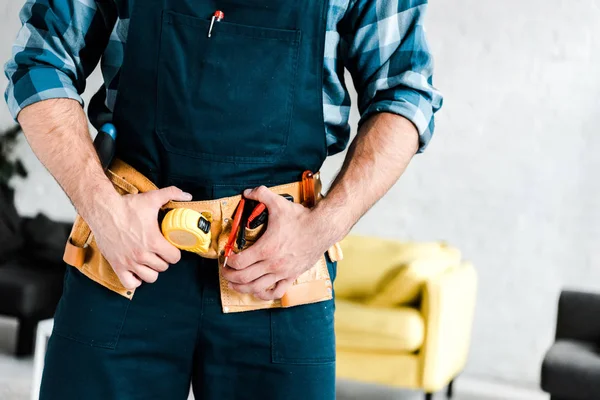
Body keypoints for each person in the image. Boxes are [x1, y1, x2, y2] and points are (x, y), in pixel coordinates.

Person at [4, 0, 442, 398]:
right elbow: (38, 62)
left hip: (278, 271)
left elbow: (404, 92)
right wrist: (103, 209)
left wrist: (321, 229)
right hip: (127, 256)